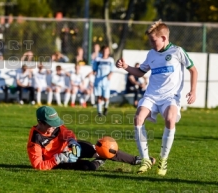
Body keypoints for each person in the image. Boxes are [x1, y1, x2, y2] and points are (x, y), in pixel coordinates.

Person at [116, 19, 198, 176]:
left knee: (170, 119)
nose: (152, 44)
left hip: (170, 97)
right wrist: (126, 67)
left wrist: (193, 91)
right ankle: (146, 159)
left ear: (164, 38)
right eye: (150, 41)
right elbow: (140, 72)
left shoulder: (177, 51)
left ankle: (163, 159)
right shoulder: (151, 54)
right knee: (138, 118)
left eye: (154, 41)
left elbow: (193, 70)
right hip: (152, 95)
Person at [27, 106, 156, 170]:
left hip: (70, 149)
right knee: (87, 167)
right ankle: (99, 161)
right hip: (59, 161)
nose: (53, 127)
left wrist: (72, 142)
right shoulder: (35, 140)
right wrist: (59, 158)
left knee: (104, 147)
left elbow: (68, 133)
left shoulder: (56, 126)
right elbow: (38, 164)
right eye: (50, 125)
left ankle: (138, 160)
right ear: (40, 122)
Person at [92, 46, 115, 116]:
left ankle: (105, 107)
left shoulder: (110, 60)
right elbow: (94, 69)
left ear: (109, 52)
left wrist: (110, 75)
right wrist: (94, 72)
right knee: (99, 96)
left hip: (106, 82)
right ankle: (99, 112)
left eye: (107, 50)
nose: (105, 52)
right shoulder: (98, 59)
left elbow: (112, 70)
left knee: (106, 97)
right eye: (104, 50)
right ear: (102, 51)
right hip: (98, 81)